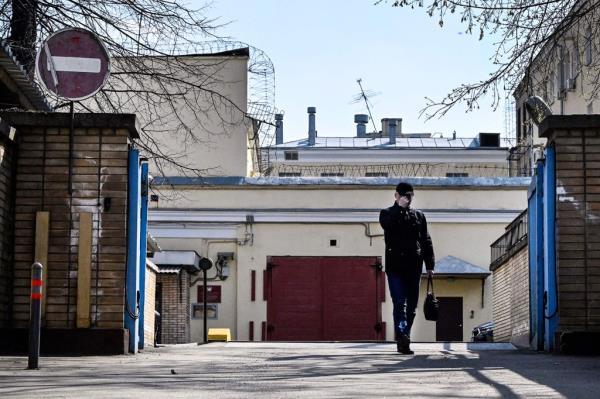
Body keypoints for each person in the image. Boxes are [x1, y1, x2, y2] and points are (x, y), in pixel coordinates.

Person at [379, 182, 435, 354]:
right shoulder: (387, 214)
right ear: (396, 196)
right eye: (403, 196)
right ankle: (403, 337)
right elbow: (388, 226)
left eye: (409, 196)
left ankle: (405, 336)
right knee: (399, 303)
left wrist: (430, 265)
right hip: (395, 267)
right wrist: (399, 208)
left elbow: (426, 240)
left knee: (411, 307)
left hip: (414, 266)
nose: (407, 199)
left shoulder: (418, 216)